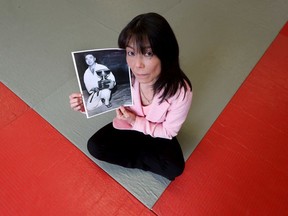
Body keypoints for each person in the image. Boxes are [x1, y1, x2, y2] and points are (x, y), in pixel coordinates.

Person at [69, 12, 192, 180]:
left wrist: (137, 122)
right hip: (128, 125)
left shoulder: (180, 92)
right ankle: (140, 157)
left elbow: (169, 131)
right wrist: (86, 105)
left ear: (166, 54)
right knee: (95, 147)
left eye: (148, 54)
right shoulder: (126, 74)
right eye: (131, 53)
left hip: (157, 131)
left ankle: (139, 151)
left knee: (175, 169)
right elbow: (108, 96)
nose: (137, 64)